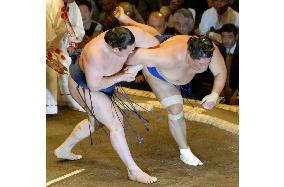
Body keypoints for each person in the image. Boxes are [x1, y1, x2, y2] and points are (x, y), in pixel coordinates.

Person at [115, 7, 227, 166]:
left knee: (156, 36)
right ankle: (185, 151)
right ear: (189, 55)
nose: (204, 68)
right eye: (200, 64)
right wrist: (134, 66)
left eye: (207, 63)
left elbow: (220, 73)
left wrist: (215, 94)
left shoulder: (210, 50)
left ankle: (128, 20)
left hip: (163, 41)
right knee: (175, 110)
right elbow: (129, 56)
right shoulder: (167, 56)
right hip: (158, 72)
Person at [54, 25, 159, 184]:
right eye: (128, 51)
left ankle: (64, 149)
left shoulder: (132, 34)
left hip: (105, 83)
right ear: (115, 49)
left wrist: (136, 67)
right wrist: (121, 77)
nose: (132, 52)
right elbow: (95, 85)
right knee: (116, 122)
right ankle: (133, 170)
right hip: (83, 85)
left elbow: (155, 44)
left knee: (95, 123)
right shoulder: (95, 54)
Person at [46, 0, 85, 114]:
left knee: (66, 67)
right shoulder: (48, 3)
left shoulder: (73, 5)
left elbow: (76, 27)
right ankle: (49, 104)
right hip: (45, 43)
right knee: (50, 71)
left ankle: (68, 99)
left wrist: (71, 43)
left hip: (58, 45)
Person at [219, 23, 239, 105]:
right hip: (223, 89)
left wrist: (237, 95)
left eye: (230, 37)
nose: (226, 40)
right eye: (223, 37)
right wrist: (219, 89)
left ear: (236, 37)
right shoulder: (220, 48)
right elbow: (217, 71)